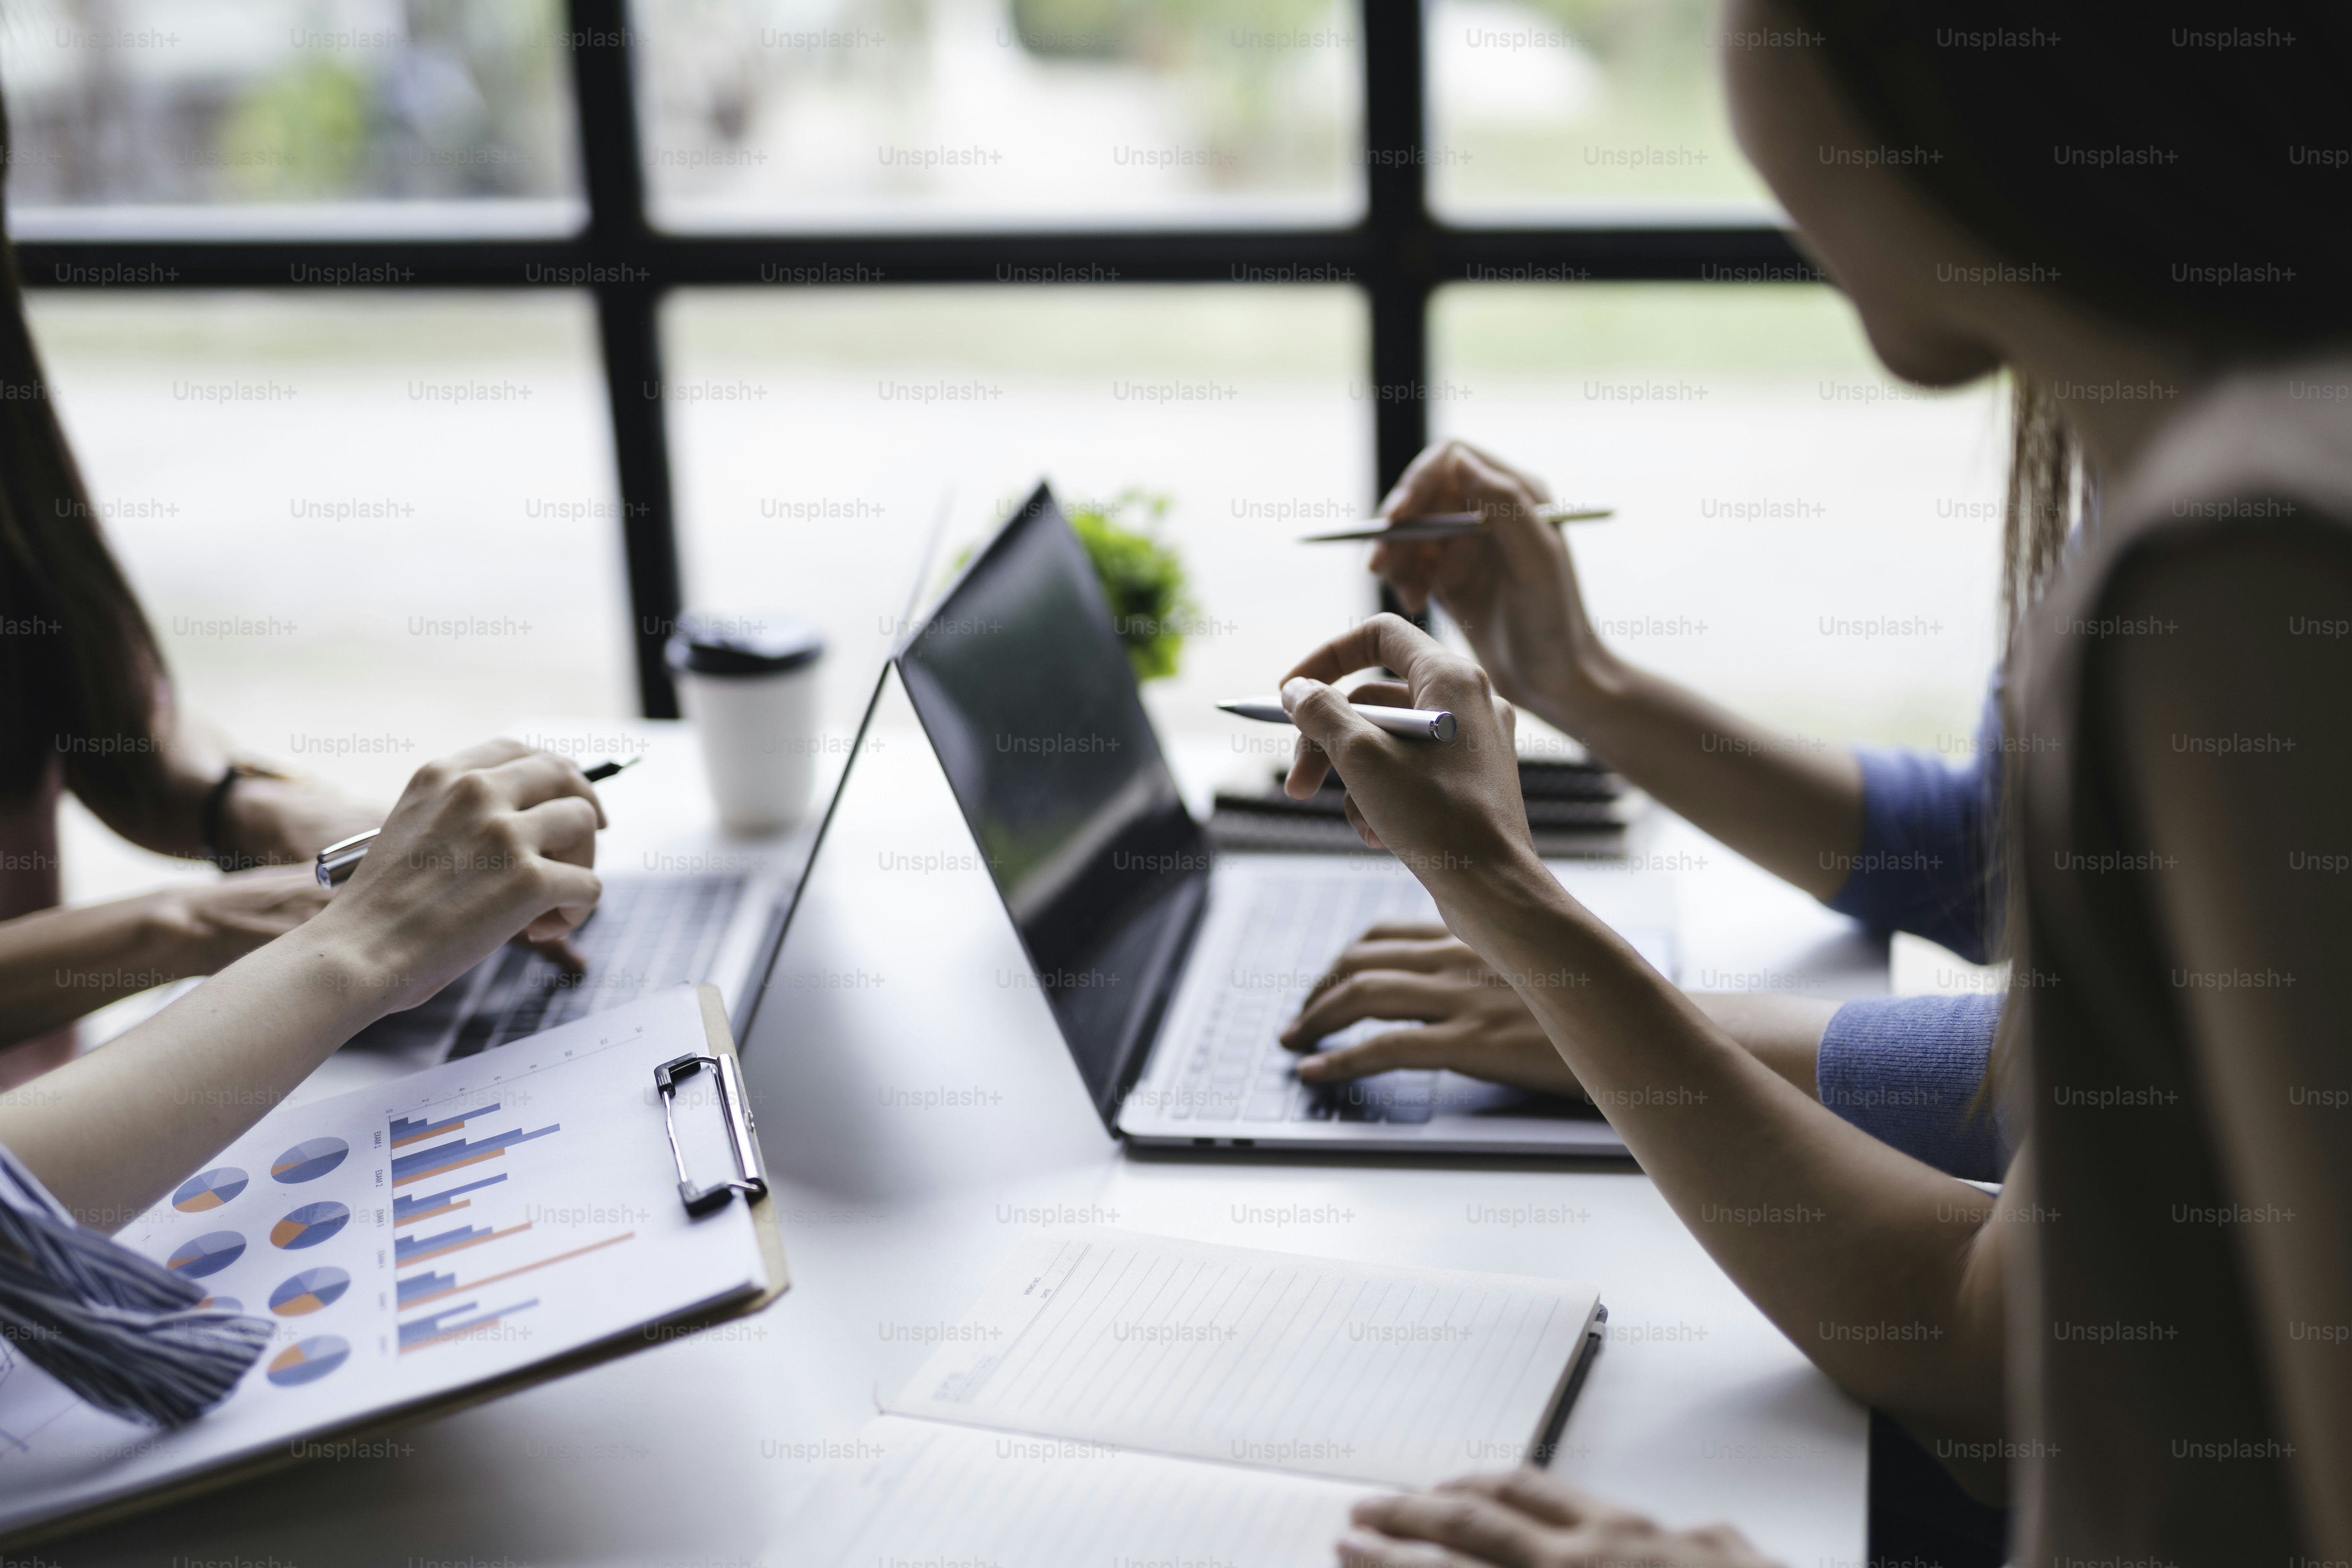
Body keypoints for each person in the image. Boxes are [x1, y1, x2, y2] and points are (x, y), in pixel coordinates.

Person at [1310, 2, 2352, 1565]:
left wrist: (1546, 934)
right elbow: (2017, 915)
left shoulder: (2240, 571)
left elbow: (1981, 1335)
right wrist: (1572, 690)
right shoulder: (2201, 460)